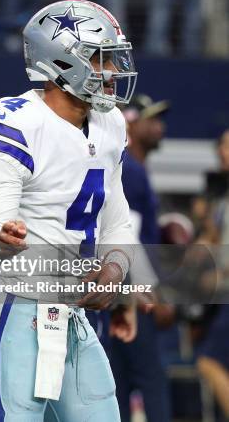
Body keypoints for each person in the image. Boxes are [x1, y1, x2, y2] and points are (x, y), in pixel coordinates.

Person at [0, 0, 138, 421]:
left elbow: (117, 217)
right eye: (101, 60)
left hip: (76, 314)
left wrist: (115, 271)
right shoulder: (15, 123)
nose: (113, 72)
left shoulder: (110, 123)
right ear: (62, 61)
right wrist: (0, 243)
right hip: (17, 309)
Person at [110, 93, 173, 422]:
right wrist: (151, 291)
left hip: (116, 290)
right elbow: (128, 238)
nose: (159, 127)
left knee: (118, 381)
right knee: (150, 378)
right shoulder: (130, 170)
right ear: (131, 124)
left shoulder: (127, 168)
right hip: (132, 293)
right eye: (152, 119)